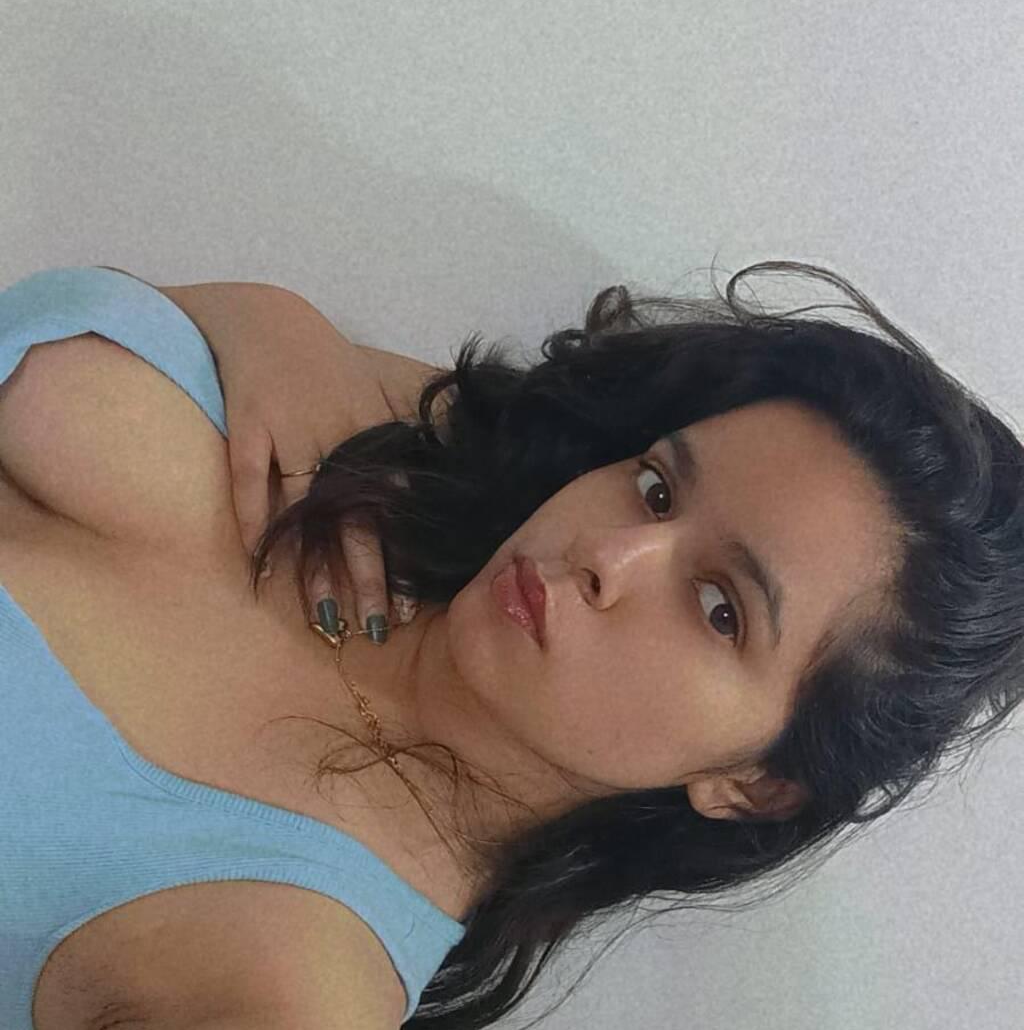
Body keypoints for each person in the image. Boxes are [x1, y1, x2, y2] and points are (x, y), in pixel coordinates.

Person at [3, 258, 1023, 1030]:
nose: (607, 552)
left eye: (720, 609)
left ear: (756, 784)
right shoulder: (421, 456)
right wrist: (271, 314)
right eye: (657, 486)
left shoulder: (289, 973)